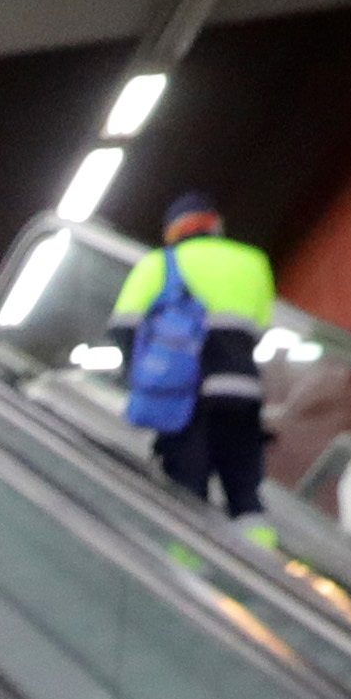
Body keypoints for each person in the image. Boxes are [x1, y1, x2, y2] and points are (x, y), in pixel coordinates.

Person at [112, 190, 281, 531]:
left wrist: (144, 375)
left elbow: (123, 326)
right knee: (246, 497)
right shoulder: (253, 261)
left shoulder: (159, 263)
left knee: (187, 496)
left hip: (184, 401)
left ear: (173, 231)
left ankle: (186, 575)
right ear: (215, 225)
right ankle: (259, 566)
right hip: (242, 394)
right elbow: (261, 327)